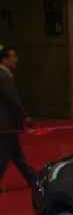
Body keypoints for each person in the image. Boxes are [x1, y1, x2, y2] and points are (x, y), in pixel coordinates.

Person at [0, 45, 36, 190]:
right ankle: (33, 178)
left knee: (16, 154)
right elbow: (13, 99)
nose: (16, 59)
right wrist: (24, 117)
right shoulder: (4, 75)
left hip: (6, 124)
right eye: (13, 56)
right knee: (4, 156)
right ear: (4, 59)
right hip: (5, 123)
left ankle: (32, 178)